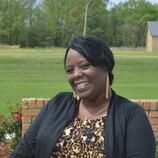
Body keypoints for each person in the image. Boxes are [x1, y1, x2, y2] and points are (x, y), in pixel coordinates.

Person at [10, 35, 156, 158]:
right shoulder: (57, 104)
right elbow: (22, 152)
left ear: (105, 67)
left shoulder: (131, 115)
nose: (76, 75)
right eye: (70, 70)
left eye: (84, 66)